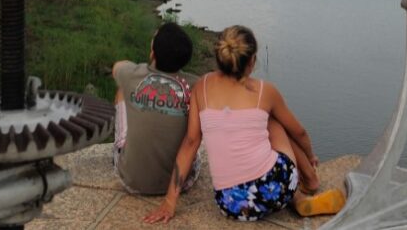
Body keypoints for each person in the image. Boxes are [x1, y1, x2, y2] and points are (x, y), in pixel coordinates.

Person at [144, 25, 345, 223]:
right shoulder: (265, 91)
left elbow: (191, 142)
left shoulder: (201, 87)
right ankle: (309, 180)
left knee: (261, 122)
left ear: (219, 58)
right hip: (278, 189)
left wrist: (170, 201)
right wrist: (310, 156)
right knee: (272, 119)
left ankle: (298, 200)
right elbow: (299, 132)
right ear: (252, 61)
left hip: (232, 205)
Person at [112, 22, 201, 195]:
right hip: (180, 185)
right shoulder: (195, 85)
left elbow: (117, 66)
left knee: (123, 89)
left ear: (153, 52)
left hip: (130, 180)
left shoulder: (131, 74)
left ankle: (125, 143)